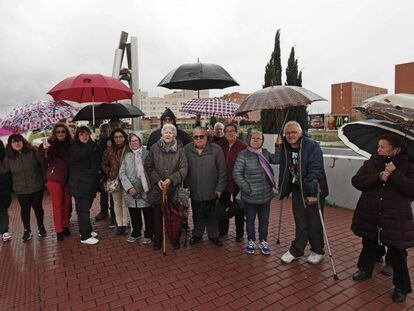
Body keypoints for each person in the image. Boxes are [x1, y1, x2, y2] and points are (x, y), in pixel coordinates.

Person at [351, 133, 414, 302]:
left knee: (397, 251)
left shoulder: (408, 165)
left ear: (396, 149)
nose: (378, 149)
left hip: (395, 216)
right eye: (378, 145)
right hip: (371, 211)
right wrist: (378, 177)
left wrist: (395, 174)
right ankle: (365, 269)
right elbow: (357, 181)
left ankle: (401, 286)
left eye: (383, 146)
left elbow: (411, 190)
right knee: (369, 241)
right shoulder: (372, 161)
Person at [278, 121, 328, 264]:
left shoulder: (312, 146)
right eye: (288, 133)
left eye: (294, 132)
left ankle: (317, 251)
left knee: (314, 223)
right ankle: (297, 250)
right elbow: (283, 169)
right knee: (300, 222)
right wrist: (283, 189)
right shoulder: (286, 148)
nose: (291, 135)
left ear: (301, 132)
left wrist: (312, 193)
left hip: (313, 191)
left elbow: (316, 170)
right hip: (297, 191)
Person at [233, 130, 279, 255]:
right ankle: (251, 241)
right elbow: (237, 174)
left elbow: (278, 159)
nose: (256, 140)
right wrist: (247, 189)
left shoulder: (265, 153)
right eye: (253, 138)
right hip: (250, 196)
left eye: (259, 138)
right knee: (250, 221)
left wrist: (278, 145)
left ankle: (263, 241)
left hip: (266, 195)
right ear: (249, 139)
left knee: (264, 220)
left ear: (262, 141)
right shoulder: (243, 155)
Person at [145, 124, 188, 250]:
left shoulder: (180, 150)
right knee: (158, 216)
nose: (168, 134)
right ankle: (158, 239)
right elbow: (149, 166)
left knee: (174, 216)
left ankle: (174, 238)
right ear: (162, 134)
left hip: (174, 189)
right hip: (158, 188)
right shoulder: (154, 148)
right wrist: (157, 180)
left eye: (171, 132)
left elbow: (184, 169)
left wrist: (171, 179)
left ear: (174, 135)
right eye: (166, 132)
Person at [184, 126, 227, 247]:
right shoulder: (186, 149)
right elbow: (183, 169)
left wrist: (219, 189)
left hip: (212, 190)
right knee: (197, 214)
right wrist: (186, 186)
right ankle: (197, 234)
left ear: (206, 137)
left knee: (212, 215)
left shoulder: (216, 149)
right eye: (196, 137)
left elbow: (222, 170)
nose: (198, 139)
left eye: (201, 136)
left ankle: (213, 235)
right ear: (193, 138)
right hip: (195, 190)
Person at [3, 134, 46, 241]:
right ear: (10, 144)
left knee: (38, 207)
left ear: (23, 141)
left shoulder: (33, 151)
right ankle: (27, 230)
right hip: (20, 188)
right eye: (13, 142)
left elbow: (43, 162)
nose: (17, 143)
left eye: (18, 141)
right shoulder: (8, 157)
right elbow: (3, 170)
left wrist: (45, 151)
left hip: (36, 185)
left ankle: (41, 226)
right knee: (25, 210)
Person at [38, 123, 72, 241]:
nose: (61, 133)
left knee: (67, 204)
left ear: (66, 132)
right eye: (58, 132)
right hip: (55, 179)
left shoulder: (70, 144)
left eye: (63, 131)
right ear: (54, 133)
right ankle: (59, 229)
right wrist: (46, 150)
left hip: (68, 179)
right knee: (57, 205)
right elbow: (44, 160)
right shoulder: (49, 145)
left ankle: (65, 224)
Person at [119, 132, 153, 244]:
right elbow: (122, 173)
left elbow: (150, 171)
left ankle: (148, 233)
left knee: (147, 212)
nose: (133, 142)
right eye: (131, 141)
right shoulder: (126, 156)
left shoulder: (147, 154)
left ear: (140, 140)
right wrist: (129, 188)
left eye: (136, 140)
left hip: (145, 189)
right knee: (134, 212)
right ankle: (136, 232)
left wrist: (140, 187)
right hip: (130, 191)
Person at [69, 126, 99, 245]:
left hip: (89, 183)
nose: (85, 136)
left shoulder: (90, 146)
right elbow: (81, 155)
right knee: (83, 211)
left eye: (87, 133)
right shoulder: (74, 147)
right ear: (77, 135)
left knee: (85, 209)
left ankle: (86, 230)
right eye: (82, 134)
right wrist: (91, 142)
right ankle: (85, 236)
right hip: (80, 184)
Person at [217, 123, 247, 241]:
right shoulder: (220, 145)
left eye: (232, 131)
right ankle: (223, 230)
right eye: (227, 131)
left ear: (236, 132)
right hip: (223, 182)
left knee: (239, 209)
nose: (229, 133)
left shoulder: (243, 146)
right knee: (222, 208)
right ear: (224, 133)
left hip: (238, 183)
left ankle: (239, 234)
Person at [101, 128, 129, 235]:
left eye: (120, 136)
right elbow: (103, 163)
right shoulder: (109, 150)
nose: (118, 139)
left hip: (126, 180)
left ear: (124, 137)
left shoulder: (128, 149)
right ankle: (119, 224)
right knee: (116, 203)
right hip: (114, 180)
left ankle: (125, 223)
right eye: (116, 137)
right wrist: (109, 172)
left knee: (125, 203)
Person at [95, 123, 115, 226]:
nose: (103, 133)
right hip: (102, 172)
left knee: (113, 195)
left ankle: (114, 214)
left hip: (113, 172)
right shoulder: (98, 142)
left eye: (105, 130)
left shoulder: (113, 141)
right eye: (102, 131)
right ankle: (104, 211)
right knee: (103, 194)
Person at [0, 140, 12, 242]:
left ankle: (4, 231)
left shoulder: (5, 156)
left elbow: (6, 171)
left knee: (3, 210)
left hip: (3, 187)